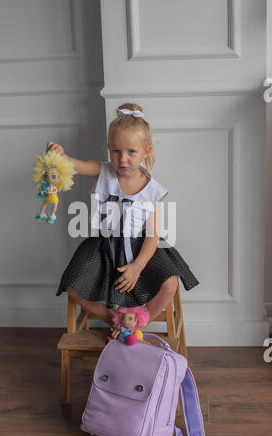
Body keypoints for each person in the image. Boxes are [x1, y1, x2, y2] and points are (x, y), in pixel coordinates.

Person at [48, 103, 199, 337]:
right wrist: (60, 156)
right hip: (105, 245)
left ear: (145, 152)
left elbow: (153, 234)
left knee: (170, 283)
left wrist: (137, 267)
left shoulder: (153, 190)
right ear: (109, 150)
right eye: (116, 151)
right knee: (72, 287)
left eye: (131, 152)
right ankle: (118, 323)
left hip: (141, 246)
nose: (122, 159)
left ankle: (137, 324)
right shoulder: (103, 172)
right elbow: (74, 166)